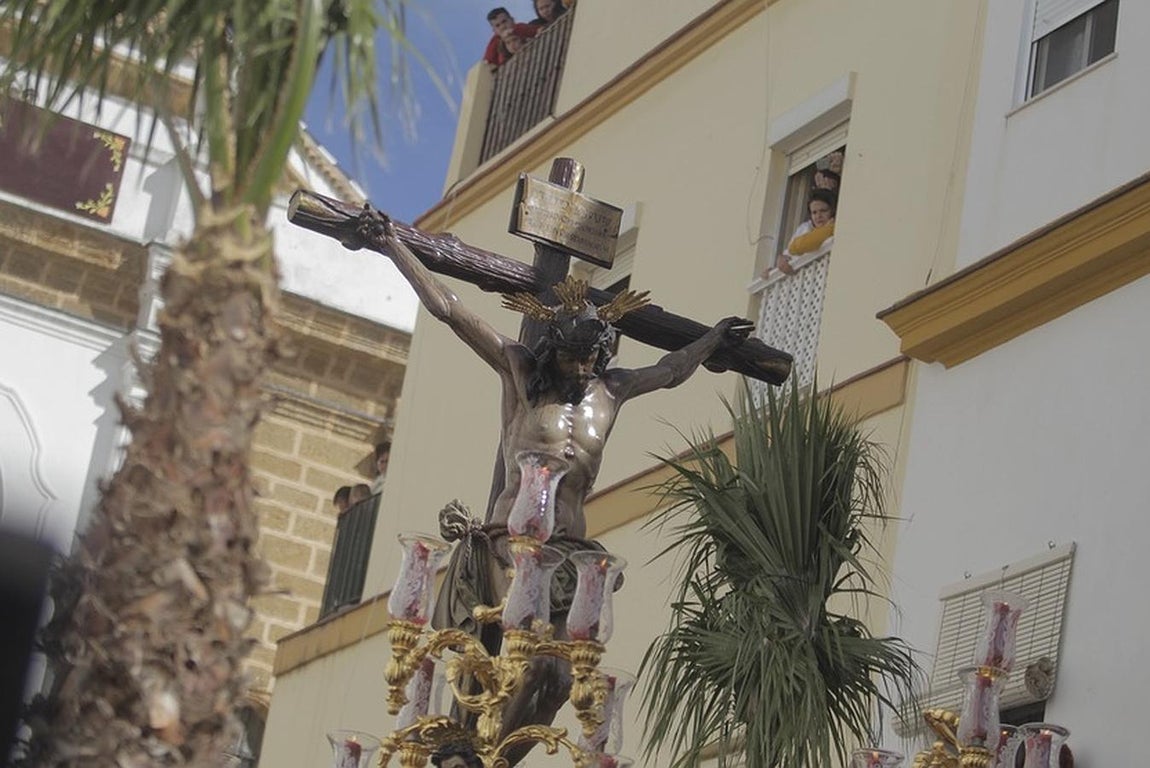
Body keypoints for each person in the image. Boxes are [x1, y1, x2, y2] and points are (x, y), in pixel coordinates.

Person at [357, 208, 752, 763]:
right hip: (510, 544)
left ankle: (492, 757)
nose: (581, 369)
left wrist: (713, 341)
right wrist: (393, 245)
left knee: (562, 678)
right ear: (553, 348)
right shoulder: (520, 374)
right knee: (530, 661)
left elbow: (671, 369)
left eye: (591, 359)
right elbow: (449, 310)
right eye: (572, 357)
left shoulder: (609, 392)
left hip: (571, 551)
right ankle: (474, 751)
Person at [777, 188, 837, 275]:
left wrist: (828, 229)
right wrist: (779, 260)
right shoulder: (806, 227)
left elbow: (798, 246)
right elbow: (793, 249)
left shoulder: (838, 226)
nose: (818, 216)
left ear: (833, 211)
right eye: (814, 212)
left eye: (823, 211)